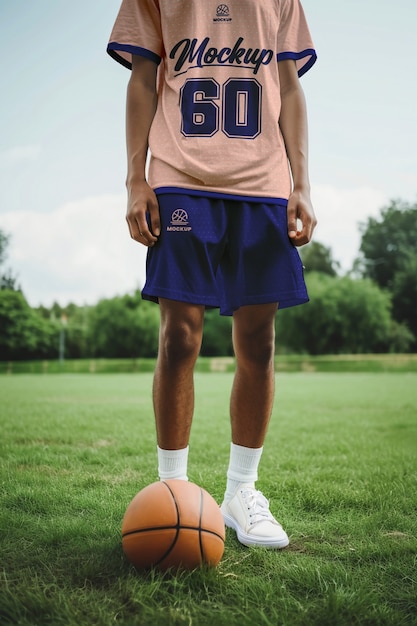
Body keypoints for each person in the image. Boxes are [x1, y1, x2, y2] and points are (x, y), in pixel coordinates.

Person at [107, 0, 317, 549]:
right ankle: (172, 489)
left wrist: (303, 184)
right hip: (180, 174)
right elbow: (143, 79)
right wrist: (135, 178)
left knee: (259, 341)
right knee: (179, 337)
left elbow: (290, 86)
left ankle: (241, 493)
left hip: (263, 182)